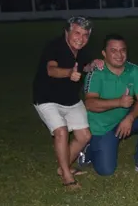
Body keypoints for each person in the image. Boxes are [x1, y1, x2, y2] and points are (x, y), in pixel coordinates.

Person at [32, 16, 102, 189]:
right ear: (67, 32)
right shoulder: (54, 47)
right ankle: (67, 176)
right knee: (61, 132)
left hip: (70, 99)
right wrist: (69, 72)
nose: (81, 38)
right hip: (47, 98)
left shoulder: (82, 50)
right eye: (77, 33)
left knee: (85, 136)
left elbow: (84, 66)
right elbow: (51, 70)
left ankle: (62, 168)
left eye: (85, 35)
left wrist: (93, 64)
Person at [80, 34, 138, 176]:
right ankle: (89, 148)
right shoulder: (96, 72)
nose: (119, 55)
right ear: (104, 54)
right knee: (106, 170)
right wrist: (119, 102)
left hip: (123, 119)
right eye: (113, 51)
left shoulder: (134, 70)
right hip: (102, 127)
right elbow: (90, 104)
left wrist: (130, 118)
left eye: (123, 50)